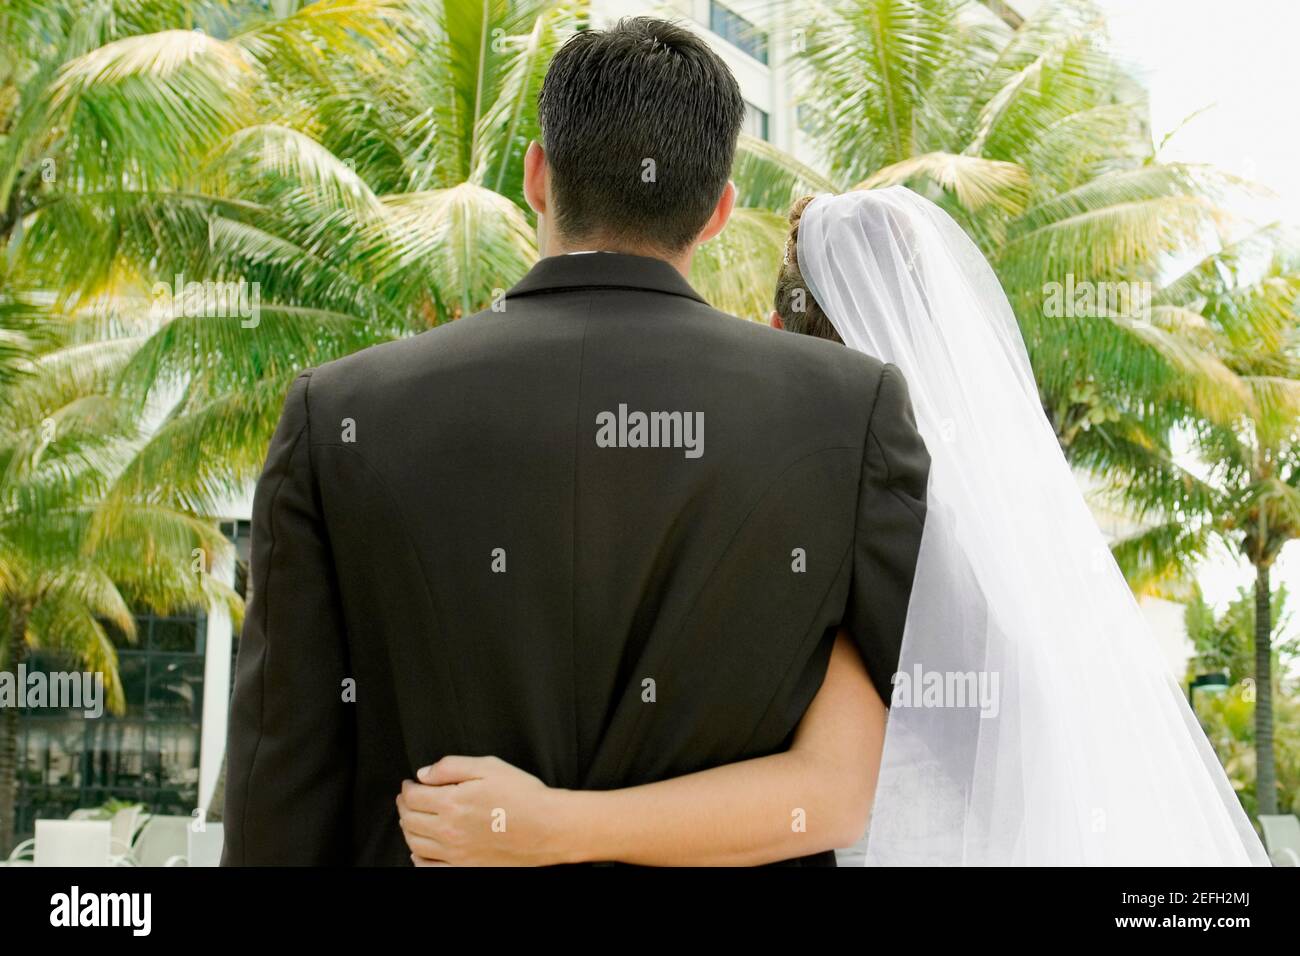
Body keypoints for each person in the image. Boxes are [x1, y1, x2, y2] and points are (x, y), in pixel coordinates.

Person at [222, 18, 928, 867]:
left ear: (536, 175)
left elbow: (280, 795)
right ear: (718, 210)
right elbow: (897, 751)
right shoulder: (852, 417)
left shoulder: (338, 411)